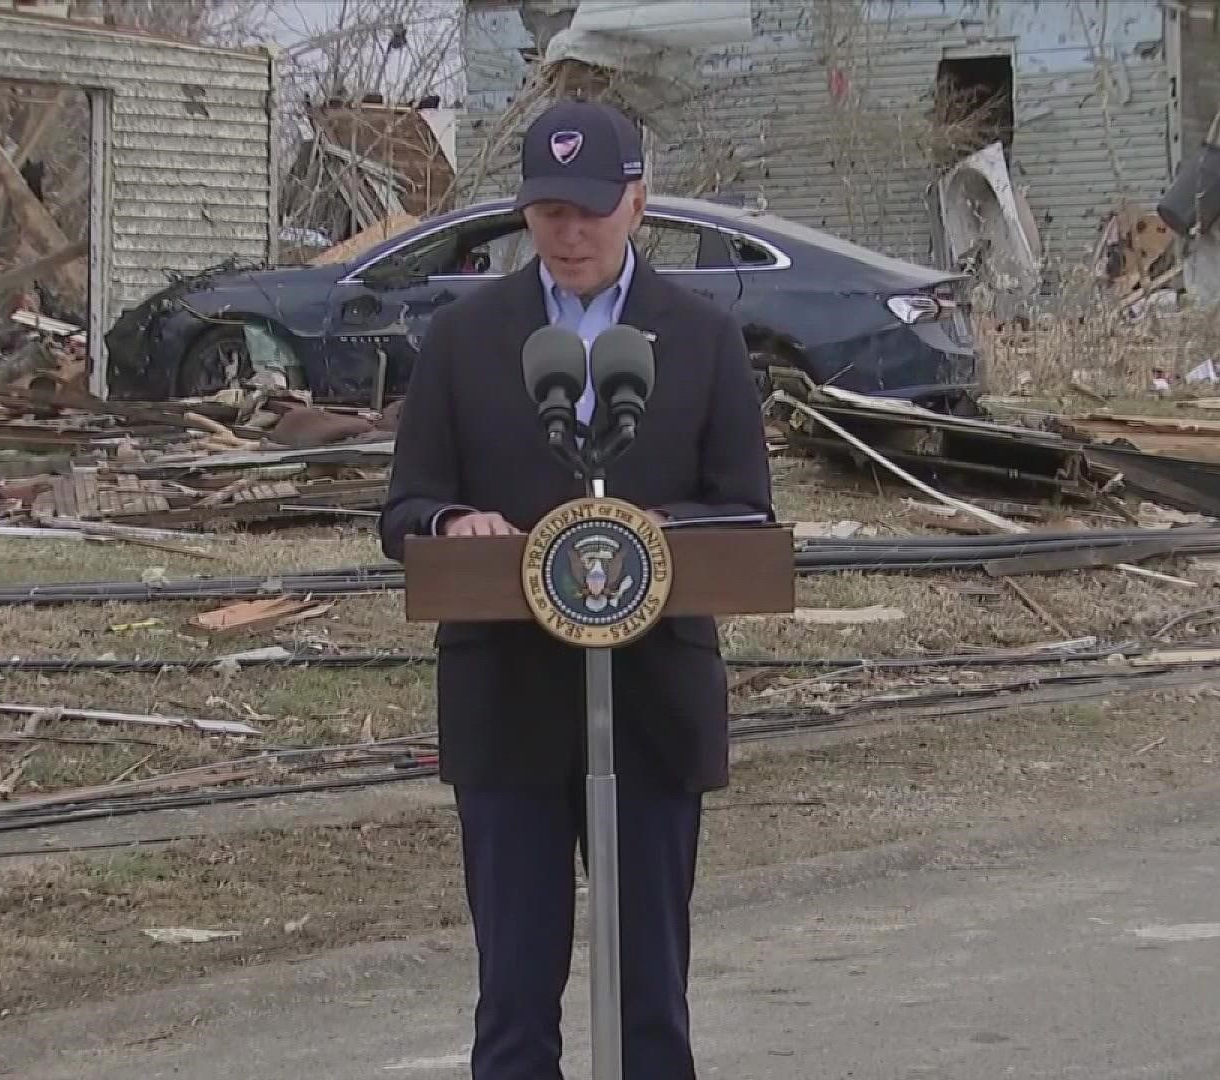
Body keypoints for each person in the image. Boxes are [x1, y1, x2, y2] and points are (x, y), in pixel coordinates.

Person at [377, 98, 774, 1080]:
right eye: (549, 209)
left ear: (638, 202)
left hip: (649, 711)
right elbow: (405, 508)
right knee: (513, 999)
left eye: (592, 208)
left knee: (651, 999)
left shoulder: (705, 338)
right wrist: (449, 525)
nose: (570, 231)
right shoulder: (465, 340)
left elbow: (746, 514)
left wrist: (649, 539)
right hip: (507, 709)